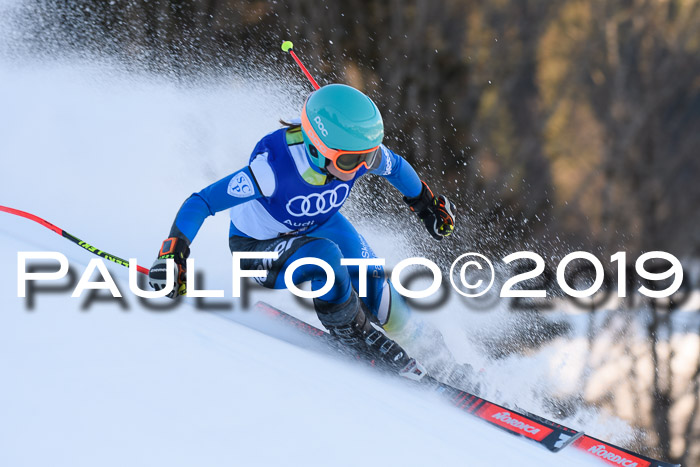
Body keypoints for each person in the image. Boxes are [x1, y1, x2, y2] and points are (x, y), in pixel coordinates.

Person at [148, 83, 456, 380]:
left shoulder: (359, 153)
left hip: (318, 223)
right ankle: (352, 332)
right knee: (325, 257)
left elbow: (397, 167)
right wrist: (173, 255)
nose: (363, 165)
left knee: (375, 283)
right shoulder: (271, 172)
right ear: (316, 149)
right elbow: (201, 202)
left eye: (368, 156)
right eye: (351, 160)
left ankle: (437, 357)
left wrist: (426, 205)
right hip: (257, 248)